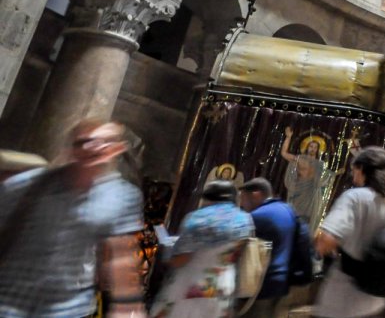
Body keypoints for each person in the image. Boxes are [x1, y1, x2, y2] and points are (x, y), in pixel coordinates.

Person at [0, 119, 145, 318]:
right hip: (11, 299)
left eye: (105, 142)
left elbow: (119, 255)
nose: (94, 147)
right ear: (71, 148)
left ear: (117, 148)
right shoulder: (26, 185)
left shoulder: (122, 198)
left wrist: (127, 306)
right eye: (85, 141)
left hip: (66, 307)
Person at [312, 146, 385, 318]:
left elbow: (326, 241)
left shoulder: (354, 197)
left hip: (342, 300)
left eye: (354, 170)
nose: (353, 176)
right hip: (377, 299)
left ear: (361, 169)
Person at [150, 180, 255, 318]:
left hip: (193, 286)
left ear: (208, 198)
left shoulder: (197, 219)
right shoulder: (245, 220)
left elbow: (181, 260)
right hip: (223, 286)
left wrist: (168, 251)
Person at [239, 178, 300, 318]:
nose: (242, 204)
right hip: (284, 282)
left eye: (243, 198)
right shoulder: (287, 210)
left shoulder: (257, 216)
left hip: (261, 286)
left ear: (256, 195)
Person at [281, 128, 332, 225]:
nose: (312, 149)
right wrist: (288, 137)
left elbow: (322, 180)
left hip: (311, 196)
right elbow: (284, 153)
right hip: (298, 193)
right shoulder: (300, 159)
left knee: (306, 222)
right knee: (294, 218)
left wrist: (331, 174)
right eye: (311, 146)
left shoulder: (320, 164)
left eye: (315, 147)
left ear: (318, 149)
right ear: (307, 147)